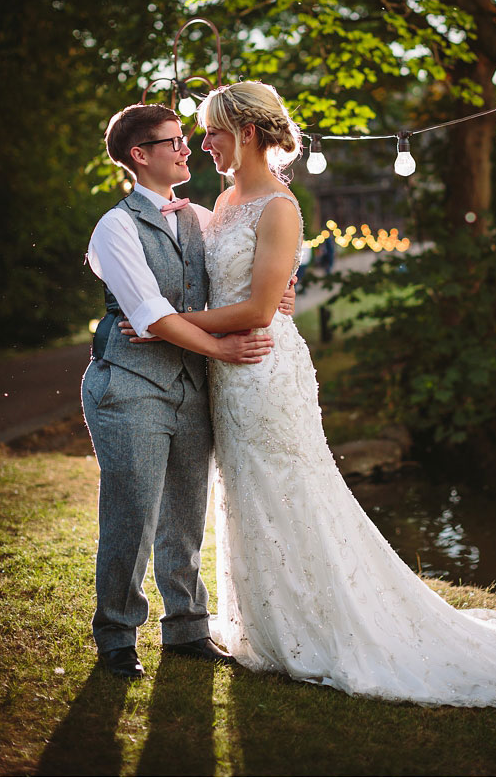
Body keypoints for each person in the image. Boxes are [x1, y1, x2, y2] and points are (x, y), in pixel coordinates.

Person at [141, 81, 496, 707]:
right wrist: (199, 315)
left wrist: (170, 323)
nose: (202, 143)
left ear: (245, 132)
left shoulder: (278, 205)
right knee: (248, 491)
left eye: (212, 131)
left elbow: (260, 306)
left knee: (291, 489)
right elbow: (236, 289)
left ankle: (322, 629)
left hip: (265, 369)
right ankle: (270, 623)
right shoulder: (223, 199)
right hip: (229, 369)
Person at [82, 103, 292, 678]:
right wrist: (222, 348)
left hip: (192, 385)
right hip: (129, 385)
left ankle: (187, 630)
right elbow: (148, 314)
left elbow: (249, 266)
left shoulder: (201, 216)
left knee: (185, 511)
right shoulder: (116, 225)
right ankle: (117, 638)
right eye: (172, 141)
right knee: (132, 514)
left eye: (186, 138)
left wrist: (283, 290)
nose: (186, 148)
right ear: (139, 155)